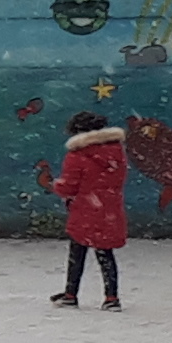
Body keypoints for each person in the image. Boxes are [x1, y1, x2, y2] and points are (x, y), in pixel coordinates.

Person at [41, 112, 130, 310]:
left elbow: (69, 186)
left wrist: (55, 185)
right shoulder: (117, 152)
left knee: (77, 252)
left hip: (84, 210)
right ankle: (111, 297)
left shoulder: (77, 155)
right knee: (106, 254)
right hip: (110, 209)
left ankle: (71, 294)